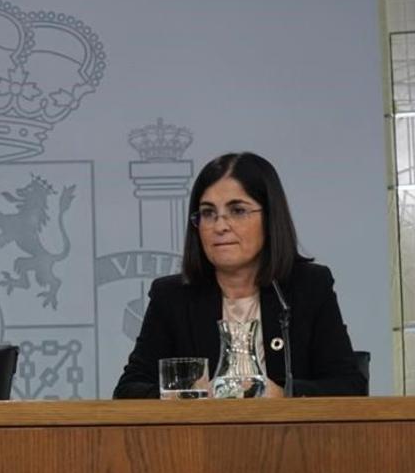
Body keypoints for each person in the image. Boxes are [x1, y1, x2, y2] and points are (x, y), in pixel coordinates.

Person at [114, 152, 365, 398]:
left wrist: (284, 395)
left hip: (291, 439)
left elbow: (349, 386)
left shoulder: (308, 287)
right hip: (199, 439)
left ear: (269, 218)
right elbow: (128, 391)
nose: (220, 226)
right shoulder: (172, 297)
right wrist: (188, 396)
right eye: (208, 213)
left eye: (238, 211)